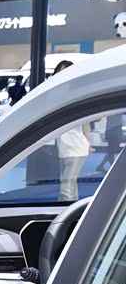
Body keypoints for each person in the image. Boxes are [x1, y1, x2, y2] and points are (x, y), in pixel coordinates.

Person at [53, 61, 92, 202]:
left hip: (77, 148)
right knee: (70, 184)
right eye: (59, 72)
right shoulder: (57, 94)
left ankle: (64, 212)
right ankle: (73, 211)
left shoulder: (76, 94)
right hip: (64, 148)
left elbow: (85, 122)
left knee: (66, 187)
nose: (61, 75)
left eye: (64, 71)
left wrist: (88, 143)